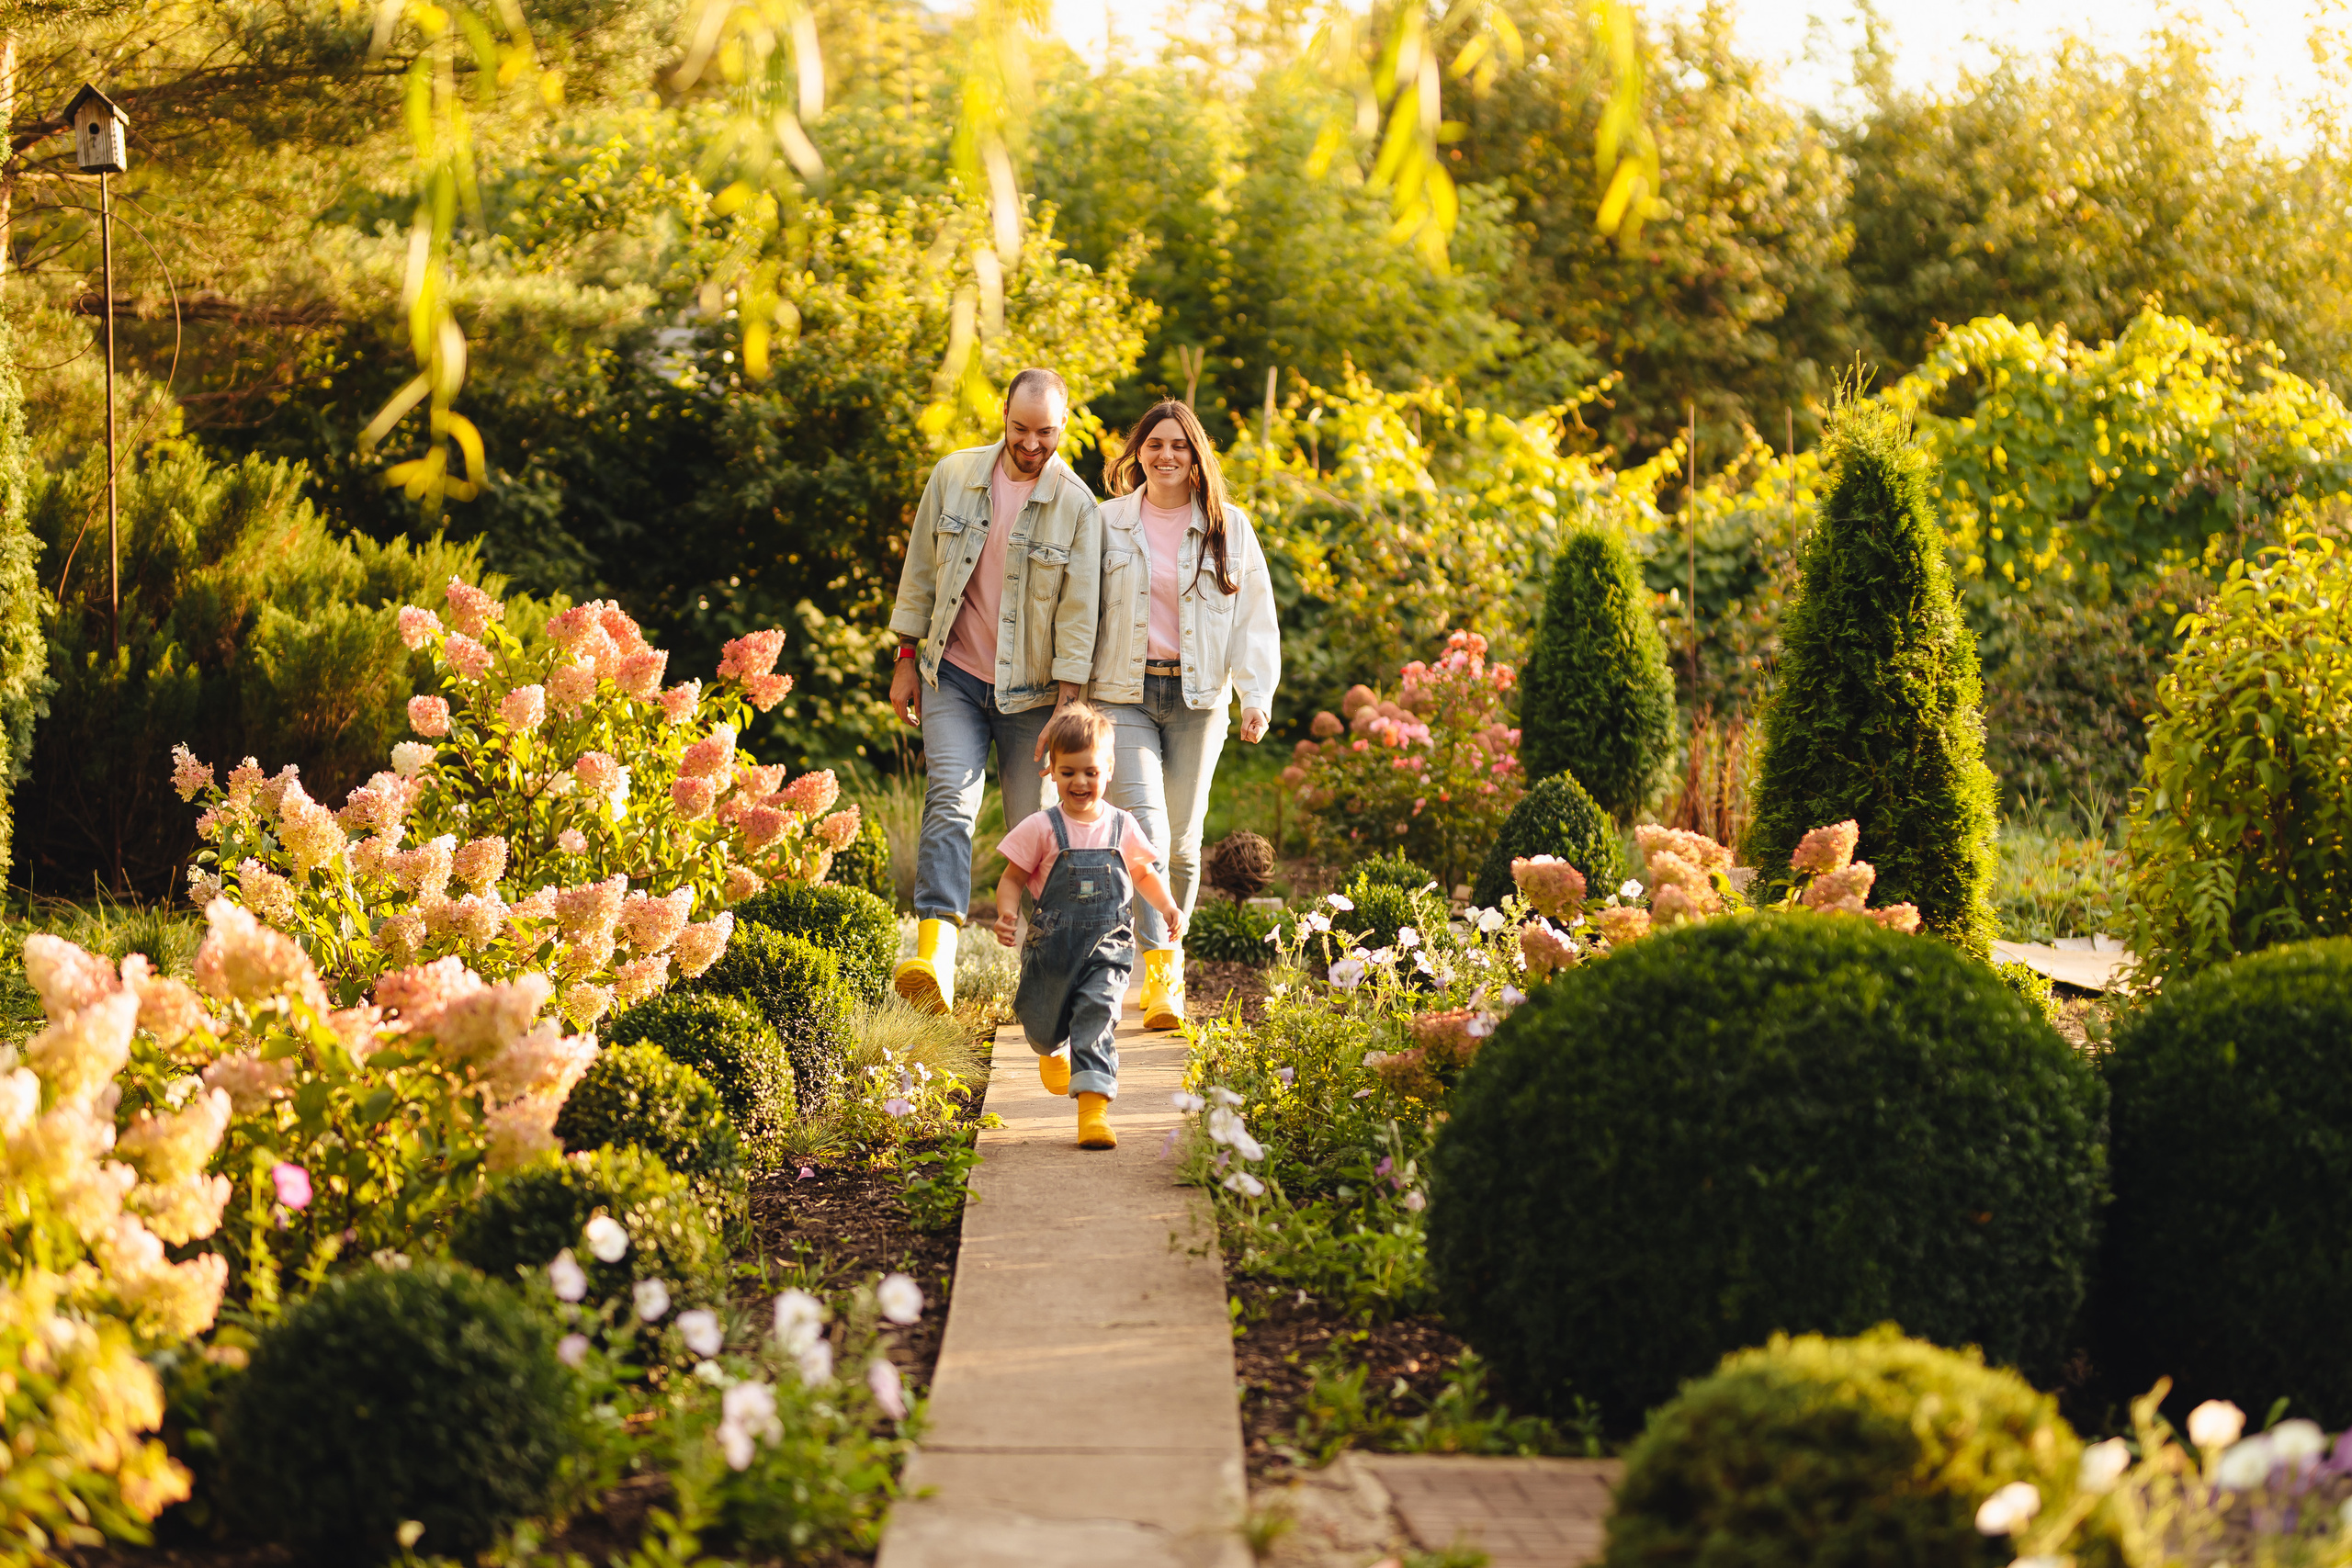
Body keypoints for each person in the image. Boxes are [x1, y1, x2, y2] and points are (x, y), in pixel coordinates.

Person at [888, 369, 1102, 1013]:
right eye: (1020, 428)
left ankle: (1052, 972)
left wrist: (1067, 706)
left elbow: (1079, 614)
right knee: (950, 802)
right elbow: (920, 574)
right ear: (1003, 414)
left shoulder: (1077, 505)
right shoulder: (954, 476)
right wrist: (905, 657)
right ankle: (937, 959)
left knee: (1037, 829)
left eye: (1046, 433)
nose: (1031, 444)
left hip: (1033, 697)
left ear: (1063, 427)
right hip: (951, 674)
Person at [1087, 400, 1280, 1029]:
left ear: (1196, 455)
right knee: (1147, 833)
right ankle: (1161, 975)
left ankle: (1165, 968)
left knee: (1186, 843)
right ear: (1137, 452)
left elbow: (1254, 618)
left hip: (1200, 699)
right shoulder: (1107, 522)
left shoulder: (1229, 528)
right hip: (1123, 692)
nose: (1166, 455)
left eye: (1179, 445)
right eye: (1154, 444)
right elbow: (1079, 608)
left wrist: (1255, 696)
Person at [991, 704, 1182, 1150]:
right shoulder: (1041, 827)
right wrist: (1006, 913)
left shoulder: (1122, 825)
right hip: (1053, 950)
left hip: (1107, 948)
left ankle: (1093, 1114)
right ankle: (1053, 1050)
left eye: (1091, 772)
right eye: (1069, 772)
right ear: (1052, 771)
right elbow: (1012, 879)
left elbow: (1143, 873)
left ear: (1109, 770)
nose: (1080, 782)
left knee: (1097, 1017)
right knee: (1043, 1028)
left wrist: (1168, 906)